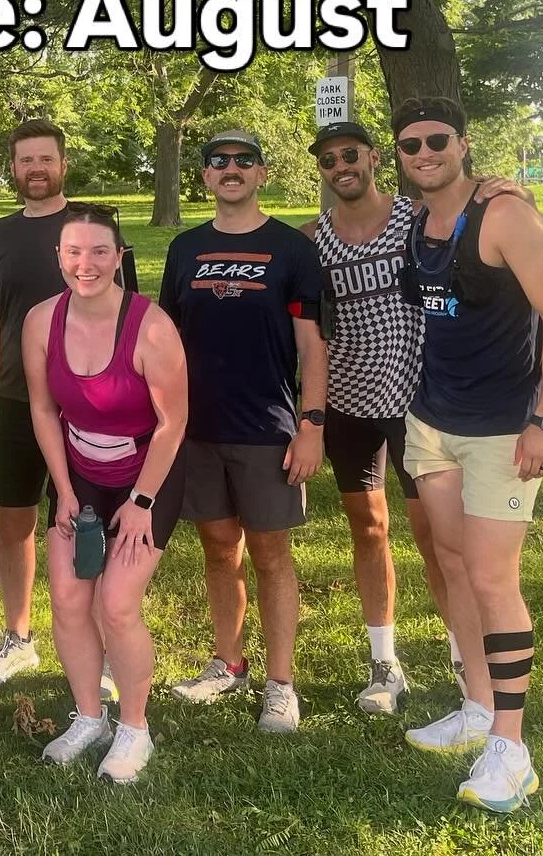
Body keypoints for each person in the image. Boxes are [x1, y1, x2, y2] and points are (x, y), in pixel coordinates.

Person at [301, 122, 533, 713]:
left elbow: (475, 213)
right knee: (368, 529)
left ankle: (467, 666)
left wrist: (508, 192)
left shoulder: (416, 220)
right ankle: (385, 664)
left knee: (437, 540)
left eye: (350, 154)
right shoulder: (311, 240)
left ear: (376, 157)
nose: (341, 166)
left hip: (417, 399)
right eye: (329, 161)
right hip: (350, 404)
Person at [393, 97, 543, 813]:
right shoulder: (419, 221)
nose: (424, 152)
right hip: (432, 421)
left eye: (436, 140)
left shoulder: (505, 216)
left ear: (463, 144)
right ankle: (476, 705)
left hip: (503, 428)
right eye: (410, 145)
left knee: (495, 577)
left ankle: (511, 748)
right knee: (451, 561)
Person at [159, 129, 326, 734]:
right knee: (217, 547)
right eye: (218, 161)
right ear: (204, 176)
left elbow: (313, 344)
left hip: (269, 428)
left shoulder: (291, 249)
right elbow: (166, 343)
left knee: (272, 554)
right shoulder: (185, 249)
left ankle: (281, 684)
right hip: (197, 429)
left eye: (243, 161)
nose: (230, 169)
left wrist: (311, 424)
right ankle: (227, 663)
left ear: (262, 174)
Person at [0, 118, 138, 688]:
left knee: (97, 518)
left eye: (46, 159)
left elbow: (130, 312)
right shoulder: (1, 233)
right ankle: (20, 637)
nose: (35, 170)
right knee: (13, 520)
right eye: (25, 161)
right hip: (18, 398)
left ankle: (108, 639)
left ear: (63, 164)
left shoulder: (95, 227)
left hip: (92, 402)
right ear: (13, 169)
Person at [22, 204, 187, 781]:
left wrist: (141, 504)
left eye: (99, 251)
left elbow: (173, 423)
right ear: (58, 257)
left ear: (119, 256)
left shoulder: (151, 325)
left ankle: (135, 728)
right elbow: (44, 409)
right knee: (68, 599)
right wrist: (63, 490)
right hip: (80, 475)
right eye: (74, 251)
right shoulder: (42, 320)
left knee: (116, 604)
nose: (85, 263)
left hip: (148, 475)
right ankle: (89, 715)